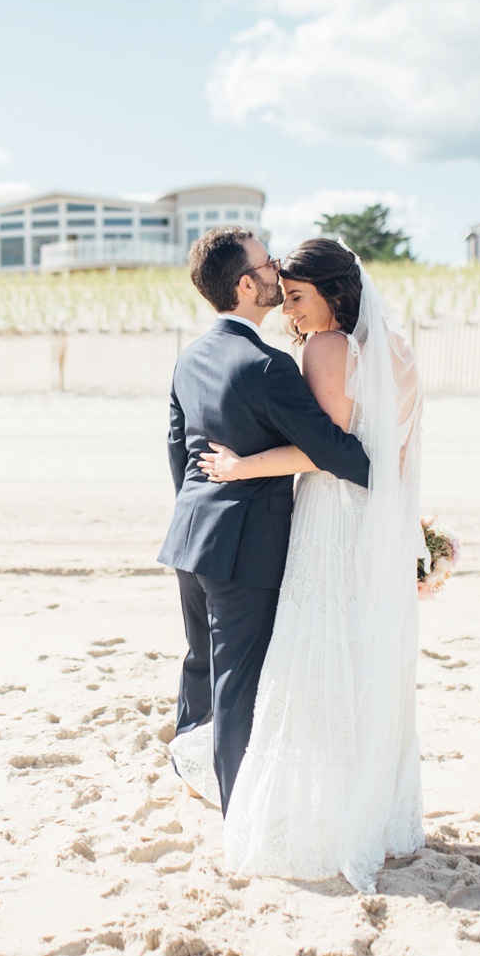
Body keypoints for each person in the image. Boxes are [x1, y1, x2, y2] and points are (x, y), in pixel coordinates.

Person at [193, 237, 426, 893]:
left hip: (332, 516)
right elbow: (395, 456)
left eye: (298, 297)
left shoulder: (327, 349)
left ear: (335, 294)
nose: (291, 313)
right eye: (285, 297)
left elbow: (323, 451)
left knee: (313, 660)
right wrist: (407, 530)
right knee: (360, 658)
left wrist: (241, 466)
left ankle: (324, 819)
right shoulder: (397, 351)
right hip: (376, 519)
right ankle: (367, 809)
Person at [157, 227, 371, 818]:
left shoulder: (190, 356)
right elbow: (331, 446)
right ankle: (238, 810)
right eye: (267, 262)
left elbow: (178, 451)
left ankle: (191, 766)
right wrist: (385, 474)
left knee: (200, 665)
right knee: (238, 684)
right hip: (245, 551)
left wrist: (199, 515)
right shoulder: (268, 365)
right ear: (247, 284)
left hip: (189, 540)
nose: (277, 269)